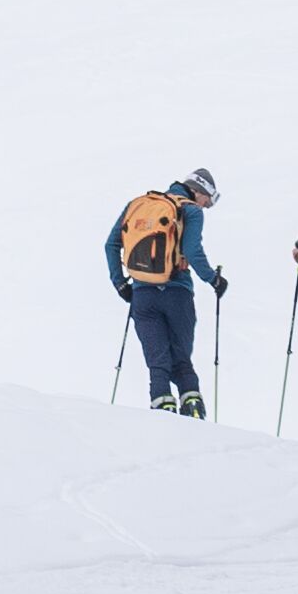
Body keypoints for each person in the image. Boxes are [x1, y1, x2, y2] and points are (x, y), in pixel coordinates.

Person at [109, 168, 225, 415]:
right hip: (177, 293)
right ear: (197, 190)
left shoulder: (137, 206)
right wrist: (213, 279)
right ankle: (193, 411)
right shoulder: (190, 211)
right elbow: (192, 251)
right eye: (206, 201)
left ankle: (163, 411)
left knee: (157, 362)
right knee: (181, 359)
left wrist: (121, 285)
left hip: (142, 296)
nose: (205, 207)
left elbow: (111, 244)